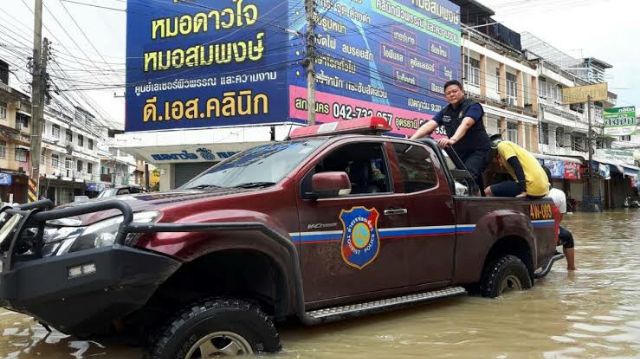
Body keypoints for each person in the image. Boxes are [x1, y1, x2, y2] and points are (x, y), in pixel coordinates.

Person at [410, 80, 491, 188]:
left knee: (466, 178)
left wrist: (452, 140)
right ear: (445, 96)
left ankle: (469, 202)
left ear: (462, 91)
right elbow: (430, 125)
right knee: (452, 178)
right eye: (448, 93)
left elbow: (466, 124)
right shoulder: (446, 111)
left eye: (454, 91)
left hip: (478, 151)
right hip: (459, 152)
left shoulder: (473, 106)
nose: (452, 94)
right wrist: (411, 140)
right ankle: (479, 198)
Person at [485, 134, 549, 198]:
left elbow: (517, 166)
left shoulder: (502, 145)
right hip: (542, 189)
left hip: (530, 186)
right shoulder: (513, 147)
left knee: (487, 191)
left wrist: (523, 190)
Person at [543, 166, 576, 271]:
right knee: (568, 237)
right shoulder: (558, 194)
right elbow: (559, 218)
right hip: (550, 233)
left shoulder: (524, 193)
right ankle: (571, 268)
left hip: (529, 230)